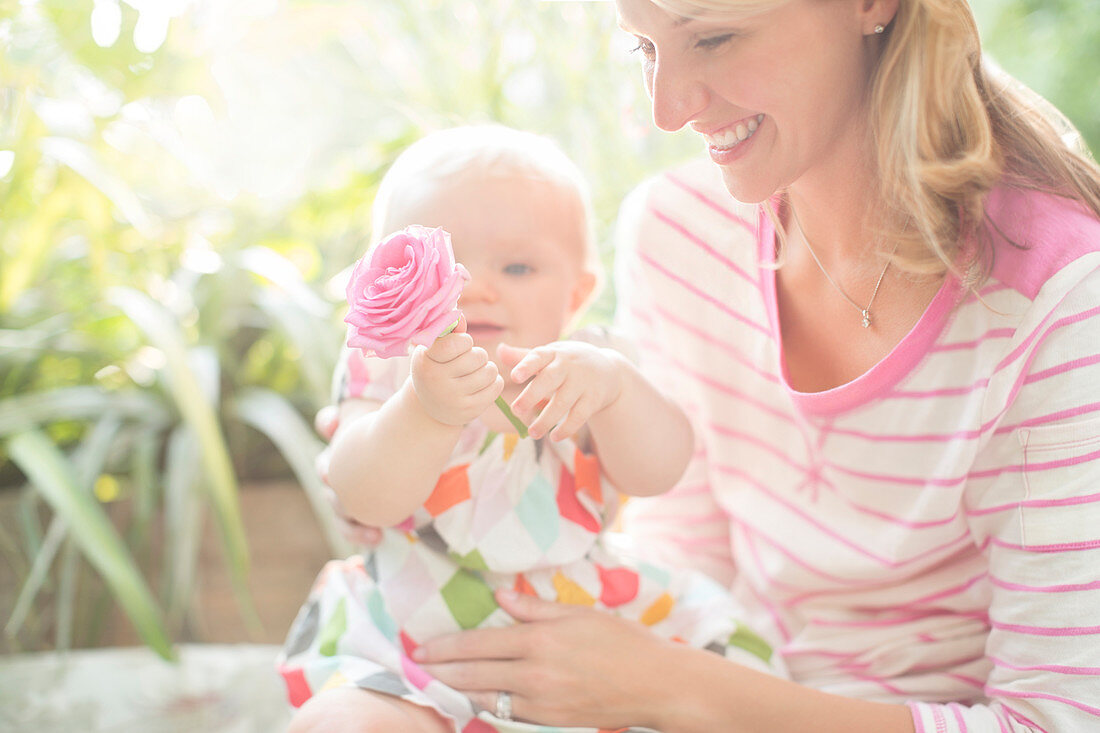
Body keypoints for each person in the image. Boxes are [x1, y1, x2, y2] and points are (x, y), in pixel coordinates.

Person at [376, 1, 1100, 732]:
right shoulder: (677, 232)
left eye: (715, 38)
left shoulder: (1057, 297)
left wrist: (672, 688)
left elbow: (1056, 721)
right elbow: (686, 556)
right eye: (645, 50)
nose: (667, 109)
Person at [277, 125, 786, 733]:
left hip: (584, 640)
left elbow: (661, 471)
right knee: (342, 723)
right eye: (448, 268)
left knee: (723, 695)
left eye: (517, 267)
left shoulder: (588, 368)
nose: (478, 287)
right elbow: (363, 494)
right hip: (410, 651)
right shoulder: (386, 369)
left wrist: (618, 391)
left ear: (577, 294)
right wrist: (426, 409)